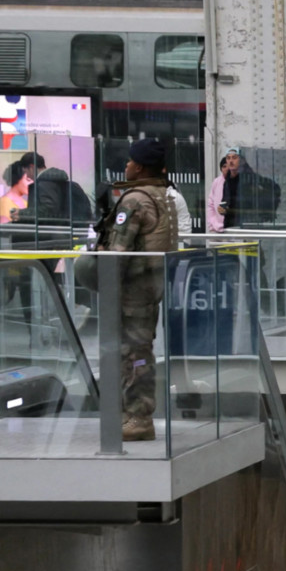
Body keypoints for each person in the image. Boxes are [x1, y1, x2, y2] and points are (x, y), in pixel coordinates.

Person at [95, 137, 180, 441]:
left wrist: (95, 262)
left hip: (131, 290)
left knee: (132, 354)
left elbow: (118, 251)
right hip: (150, 287)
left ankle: (138, 417)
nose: (127, 165)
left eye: (130, 161)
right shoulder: (163, 194)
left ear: (140, 166)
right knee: (141, 352)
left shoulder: (134, 200)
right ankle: (134, 414)